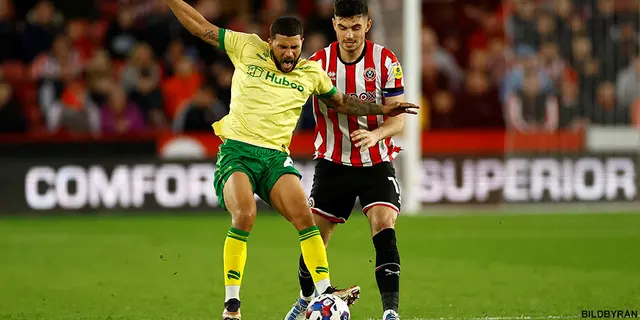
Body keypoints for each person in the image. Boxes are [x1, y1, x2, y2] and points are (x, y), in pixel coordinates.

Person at [162, 1, 419, 319]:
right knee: (245, 215)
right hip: (245, 152)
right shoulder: (249, 47)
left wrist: (382, 113)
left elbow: (342, 103)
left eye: (294, 48)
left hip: (282, 158)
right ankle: (233, 306)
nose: (288, 54)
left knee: (310, 220)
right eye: (282, 47)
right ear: (271, 43)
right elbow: (202, 27)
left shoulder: (313, 71)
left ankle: (332, 296)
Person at [284, 1, 408, 319]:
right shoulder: (317, 64)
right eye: (343, 26)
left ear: (367, 25)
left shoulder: (386, 60)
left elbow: (397, 119)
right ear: (334, 24)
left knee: (384, 224)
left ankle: (390, 312)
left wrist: (376, 136)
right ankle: (305, 298)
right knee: (315, 237)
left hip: (375, 162)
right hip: (332, 162)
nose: (349, 34)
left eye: (356, 27)